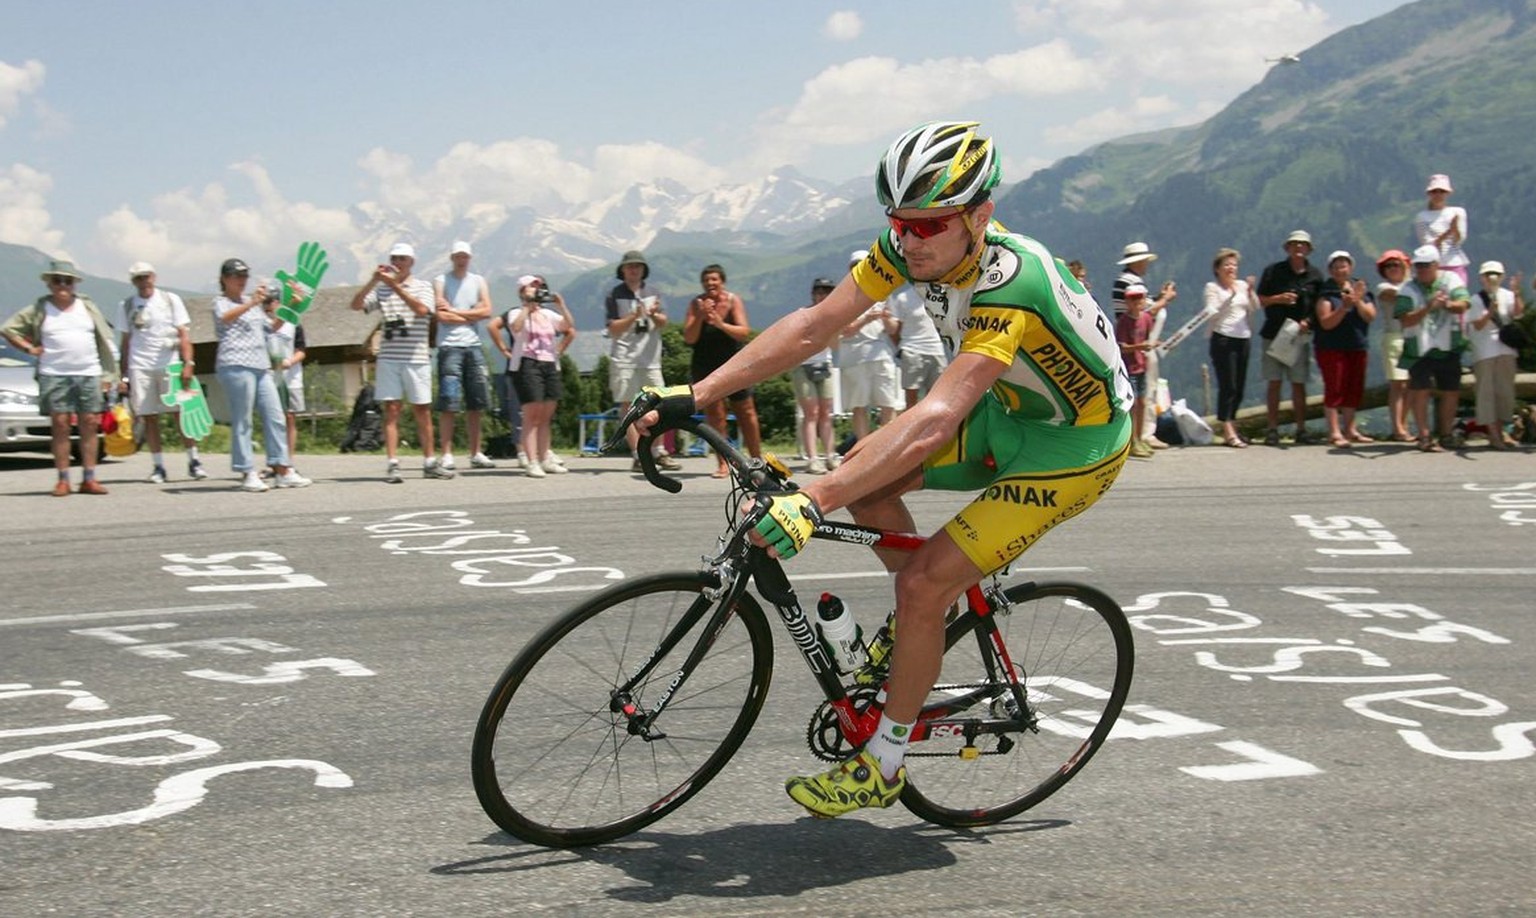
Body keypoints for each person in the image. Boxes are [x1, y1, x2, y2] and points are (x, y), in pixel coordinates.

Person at [633, 121, 1132, 818]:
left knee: (923, 581)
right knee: (865, 475)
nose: (910, 238)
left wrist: (812, 500)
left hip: (1073, 447)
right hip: (1010, 411)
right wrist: (698, 392)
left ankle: (885, 762)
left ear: (979, 215)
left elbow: (936, 416)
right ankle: (919, 625)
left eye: (928, 223)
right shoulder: (912, 250)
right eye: (898, 222)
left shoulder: (1013, 282)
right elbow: (814, 325)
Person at [1, 259, 117, 496]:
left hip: (89, 371)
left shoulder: (87, 307)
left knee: (89, 423)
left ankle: (89, 477)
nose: (63, 285)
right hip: (54, 372)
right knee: (61, 424)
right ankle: (63, 479)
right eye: (58, 280)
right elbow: (8, 329)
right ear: (49, 283)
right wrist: (29, 349)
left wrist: (108, 373)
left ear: (75, 284)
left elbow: (105, 338)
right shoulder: (40, 308)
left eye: (68, 280)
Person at [350, 243, 453, 482]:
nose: (398, 263)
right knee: (392, 410)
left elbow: (420, 310)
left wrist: (394, 286)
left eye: (402, 259)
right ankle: (393, 462)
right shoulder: (382, 289)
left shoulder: (423, 287)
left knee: (422, 410)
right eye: (394, 258)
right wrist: (373, 282)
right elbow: (356, 305)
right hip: (389, 357)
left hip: (416, 357)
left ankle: (429, 461)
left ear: (411, 262)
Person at [212, 259, 310, 492]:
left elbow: (272, 327)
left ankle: (282, 468)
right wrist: (253, 302)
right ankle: (247, 471)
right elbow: (225, 318)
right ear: (225, 279)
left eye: (245, 276)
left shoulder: (252, 304)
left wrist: (292, 306)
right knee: (243, 419)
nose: (242, 280)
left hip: (260, 366)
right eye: (237, 276)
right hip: (235, 364)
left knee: (276, 416)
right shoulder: (220, 302)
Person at [114, 262, 206, 483]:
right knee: (149, 417)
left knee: (180, 413)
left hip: (169, 362)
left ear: (153, 277)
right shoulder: (126, 306)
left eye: (146, 277)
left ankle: (194, 461)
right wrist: (123, 376)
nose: (143, 282)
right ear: (133, 282)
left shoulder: (170, 300)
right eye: (138, 278)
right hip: (140, 366)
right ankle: (158, 466)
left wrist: (188, 363)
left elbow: (184, 334)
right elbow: (125, 343)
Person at [604, 250, 680, 473]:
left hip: (650, 359)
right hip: (624, 358)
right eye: (630, 266)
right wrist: (633, 316)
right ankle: (638, 454)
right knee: (628, 406)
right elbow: (612, 328)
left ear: (643, 269)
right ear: (623, 270)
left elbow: (663, 322)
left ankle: (659, 452)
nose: (634, 269)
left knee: (660, 404)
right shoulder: (614, 294)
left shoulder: (654, 292)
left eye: (637, 266)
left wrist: (654, 314)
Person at [684, 264, 762, 477]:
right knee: (715, 415)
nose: (710, 284)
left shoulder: (733, 301)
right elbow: (689, 338)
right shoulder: (695, 304)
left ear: (722, 282)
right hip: (705, 363)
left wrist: (719, 323)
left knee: (746, 411)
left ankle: (757, 459)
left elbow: (743, 332)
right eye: (707, 280)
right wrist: (700, 316)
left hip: (734, 363)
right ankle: (724, 463)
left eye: (714, 280)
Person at [1396, 244, 1470, 452]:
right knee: (1420, 390)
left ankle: (1446, 434)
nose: (1421, 270)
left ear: (1436, 265)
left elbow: (1463, 304)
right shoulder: (1408, 289)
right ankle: (1424, 436)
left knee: (1451, 391)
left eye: (1426, 266)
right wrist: (1428, 307)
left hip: (1449, 345)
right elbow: (1405, 320)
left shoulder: (1451, 280)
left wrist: (1446, 304)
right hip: (1420, 348)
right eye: (1418, 266)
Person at [432, 240, 496, 472]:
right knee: (449, 401)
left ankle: (475, 452)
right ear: (452, 258)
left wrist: (456, 311)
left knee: (476, 402)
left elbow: (487, 311)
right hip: (449, 346)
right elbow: (441, 316)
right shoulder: (441, 281)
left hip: (473, 345)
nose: (462, 260)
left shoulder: (478, 281)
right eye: (458, 256)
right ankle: (447, 453)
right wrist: (471, 315)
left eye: (465, 256)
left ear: (469, 258)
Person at [1256, 230, 1324, 445]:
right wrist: (1279, 299)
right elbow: (1260, 300)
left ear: (1309, 249)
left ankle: (1301, 429)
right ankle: (1273, 429)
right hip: (1273, 333)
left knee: (1298, 383)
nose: (1298, 248)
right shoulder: (1273, 271)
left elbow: (1319, 306)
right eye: (1294, 244)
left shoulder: (1315, 275)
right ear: (1287, 248)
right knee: (1274, 382)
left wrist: (1309, 322)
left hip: (1299, 335)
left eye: (1302, 245)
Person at [1111, 242, 1176, 449]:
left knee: (1143, 394)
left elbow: (1143, 306)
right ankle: (1142, 434)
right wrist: (1165, 299)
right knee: (1142, 394)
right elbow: (1147, 312)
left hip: (1138, 344)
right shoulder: (1129, 282)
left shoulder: (1126, 281)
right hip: (1136, 345)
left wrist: (1158, 298)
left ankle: (1140, 435)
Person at [509, 275, 575, 478]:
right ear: (522, 291)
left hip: (549, 363)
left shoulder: (547, 314)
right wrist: (528, 307)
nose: (537, 290)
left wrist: (561, 305)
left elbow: (567, 326)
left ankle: (545, 457)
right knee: (532, 413)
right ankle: (532, 461)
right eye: (532, 286)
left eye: (539, 286)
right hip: (527, 364)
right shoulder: (516, 312)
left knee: (546, 414)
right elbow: (516, 328)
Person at [837, 249, 904, 444]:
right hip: (854, 356)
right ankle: (863, 447)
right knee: (859, 406)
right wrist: (866, 319)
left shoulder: (883, 293)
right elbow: (845, 330)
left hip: (881, 353)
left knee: (888, 403)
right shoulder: (842, 296)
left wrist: (887, 318)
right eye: (855, 265)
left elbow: (892, 330)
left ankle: (885, 446)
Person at [1313, 251, 1377, 448]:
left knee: (1353, 388)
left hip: (1357, 345)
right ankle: (1334, 431)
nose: (1341, 269)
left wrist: (1356, 300)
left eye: (1344, 265)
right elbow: (1326, 322)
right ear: (1330, 270)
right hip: (1331, 348)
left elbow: (1370, 316)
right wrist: (1344, 308)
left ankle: (1350, 429)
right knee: (1335, 388)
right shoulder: (1326, 293)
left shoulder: (1362, 289)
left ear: (1351, 268)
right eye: (1337, 266)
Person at [1203, 248, 1258, 448]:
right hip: (1223, 338)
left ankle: (1233, 426)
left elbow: (1254, 307)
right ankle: (1227, 430)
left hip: (1243, 338)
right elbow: (1212, 313)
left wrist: (1250, 292)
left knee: (1240, 387)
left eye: (1234, 264)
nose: (1231, 268)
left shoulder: (1242, 285)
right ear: (1217, 269)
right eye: (1226, 264)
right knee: (1229, 385)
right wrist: (1230, 297)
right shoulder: (1212, 288)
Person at [1467, 260, 1524, 449]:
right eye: (1489, 274)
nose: (1492, 278)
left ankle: (1502, 430)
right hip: (1485, 350)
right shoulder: (1476, 300)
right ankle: (1493, 434)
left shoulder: (1507, 295)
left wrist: (1516, 293)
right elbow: (1477, 325)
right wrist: (1489, 311)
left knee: (1505, 391)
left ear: (1502, 277)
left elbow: (1517, 314)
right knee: (1486, 393)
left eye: (1496, 274)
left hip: (1506, 349)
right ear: (1482, 277)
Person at [793, 278, 840, 474]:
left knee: (826, 413)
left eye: (827, 292)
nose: (823, 295)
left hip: (825, 364)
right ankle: (812, 458)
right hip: (804, 366)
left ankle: (830, 455)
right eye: (819, 291)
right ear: (813, 294)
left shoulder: (834, 316)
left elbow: (835, 345)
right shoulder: (803, 314)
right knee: (811, 413)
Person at [262, 288, 307, 474]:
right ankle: (274, 460)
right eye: (266, 302)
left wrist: (290, 361)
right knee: (273, 418)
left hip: (291, 376)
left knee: (290, 417)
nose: (268, 305)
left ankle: (288, 459)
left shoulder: (293, 323)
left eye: (271, 301)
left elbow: (302, 350)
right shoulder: (262, 323)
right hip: (270, 376)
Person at [1374, 250, 1416, 442]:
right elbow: (1401, 298)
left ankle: (1404, 424)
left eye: (1396, 265)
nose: (1392, 269)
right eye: (1388, 266)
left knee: (1410, 385)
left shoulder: (1413, 287)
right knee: (1397, 384)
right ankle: (1397, 427)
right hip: (1394, 337)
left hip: (1412, 337)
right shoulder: (1383, 287)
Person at [889, 281, 947, 409]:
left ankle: (930, 428)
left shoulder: (942, 296)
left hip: (936, 350)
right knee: (911, 398)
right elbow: (895, 331)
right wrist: (903, 348)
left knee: (935, 396)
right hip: (912, 350)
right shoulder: (903, 298)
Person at [1116, 285, 1157, 458]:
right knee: (1132, 406)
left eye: (1140, 298)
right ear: (1127, 301)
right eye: (1133, 298)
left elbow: (1148, 338)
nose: (1137, 301)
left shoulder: (1146, 318)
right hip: (1129, 368)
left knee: (1142, 403)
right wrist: (1140, 347)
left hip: (1141, 367)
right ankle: (1131, 441)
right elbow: (1122, 347)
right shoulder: (1124, 321)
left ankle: (1140, 438)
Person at [1413, 173, 1470, 287]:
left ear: (1447, 193)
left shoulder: (1458, 212)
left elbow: (1459, 240)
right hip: (1434, 266)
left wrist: (1454, 230)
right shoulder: (1422, 217)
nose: (1438, 194)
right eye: (1435, 191)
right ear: (1429, 193)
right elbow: (1428, 245)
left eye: (1442, 191)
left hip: (1455, 263)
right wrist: (1449, 231)